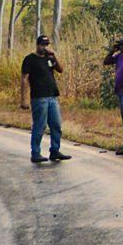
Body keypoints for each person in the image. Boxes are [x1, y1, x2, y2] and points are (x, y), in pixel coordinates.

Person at [20, 35, 72, 164]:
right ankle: (35, 153)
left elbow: (60, 70)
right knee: (40, 125)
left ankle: (55, 151)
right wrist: (24, 99)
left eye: (46, 45)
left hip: (52, 96)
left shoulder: (49, 58)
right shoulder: (30, 59)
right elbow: (24, 78)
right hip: (39, 97)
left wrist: (54, 56)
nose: (45, 47)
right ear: (37, 45)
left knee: (56, 124)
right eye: (42, 45)